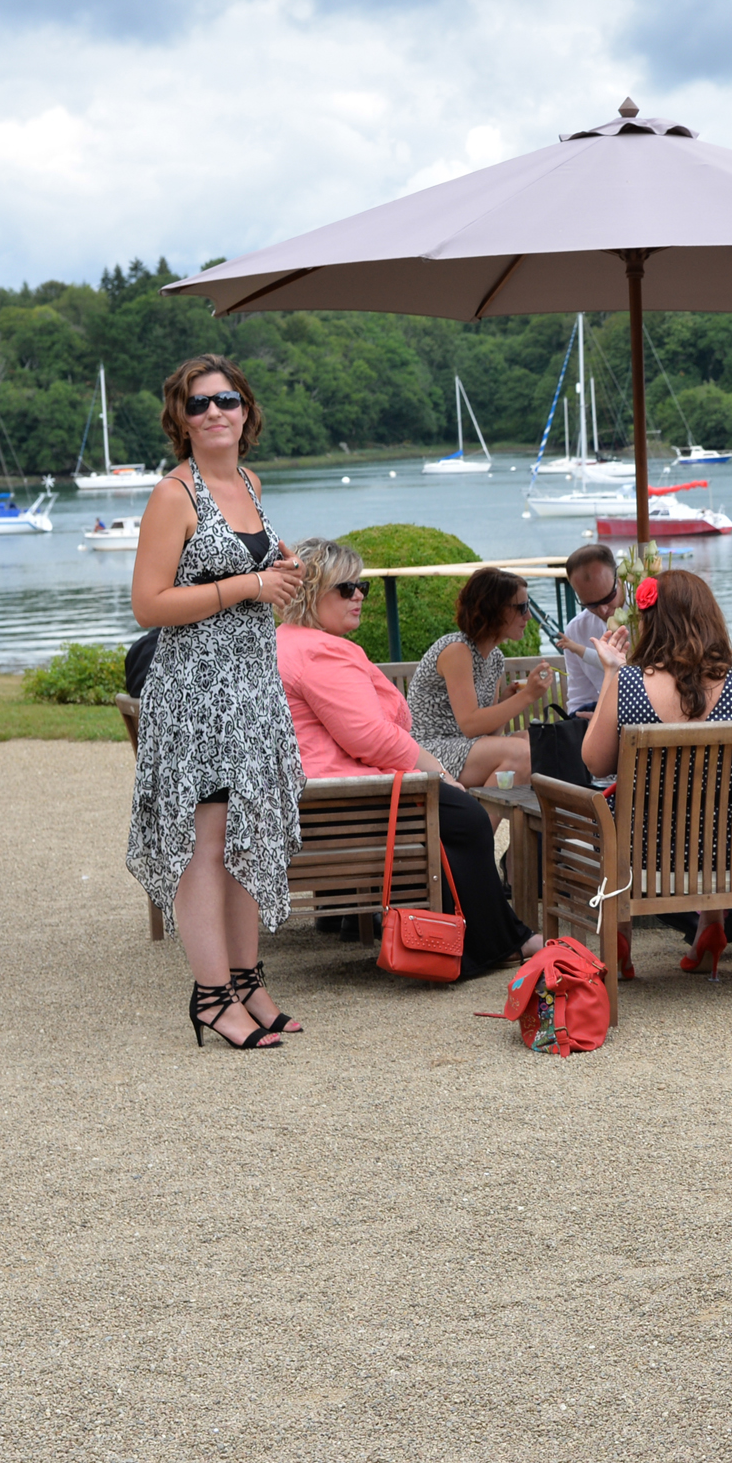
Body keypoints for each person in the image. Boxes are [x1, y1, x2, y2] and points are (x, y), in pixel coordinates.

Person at [125, 356, 307, 1051]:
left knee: (247, 836)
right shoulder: (174, 495)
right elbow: (149, 604)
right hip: (196, 694)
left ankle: (247, 981)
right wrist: (248, 586)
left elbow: (250, 576)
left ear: (246, 410)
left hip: (252, 688)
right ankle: (210, 997)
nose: (214, 413)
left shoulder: (250, 484)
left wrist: (279, 574)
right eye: (198, 404)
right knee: (205, 843)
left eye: (226, 400)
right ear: (181, 418)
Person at [273, 538, 546, 974]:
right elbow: (370, 737)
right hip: (339, 799)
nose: (359, 595)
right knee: (466, 817)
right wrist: (440, 774)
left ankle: (499, 933)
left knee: (457, 815)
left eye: (362, 586)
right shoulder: (320, 651)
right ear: (311, 592)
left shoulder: (288, 641)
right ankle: (493, 943)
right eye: (346, 588)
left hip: (318, 795)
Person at [581, 569, 732, 979]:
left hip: (641, 845)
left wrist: (611, 674)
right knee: (722, 810)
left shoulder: (629, 681)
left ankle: (620, 935)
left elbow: (595, 763)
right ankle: (711, 925)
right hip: (728, 843)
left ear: (651, 621)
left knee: (614, 817)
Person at [405, 567, 553, 787]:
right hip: (429, 752)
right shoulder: (457, 650)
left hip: (465, 746)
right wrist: (528, 695)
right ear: (494, 610)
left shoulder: (494, 658)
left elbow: (488, 732)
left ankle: (490, 809)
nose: (528, 616)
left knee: (535, 742)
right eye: (522, 607)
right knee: (521, 752)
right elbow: (470, 725)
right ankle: (480, 812)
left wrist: (506, 701)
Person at [555, 543, 623, 714]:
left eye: (609, 597)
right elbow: (580, 697)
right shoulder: (576, 630)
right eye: (591, 605)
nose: (603, 610)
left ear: (619, 578)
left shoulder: (650, 615)